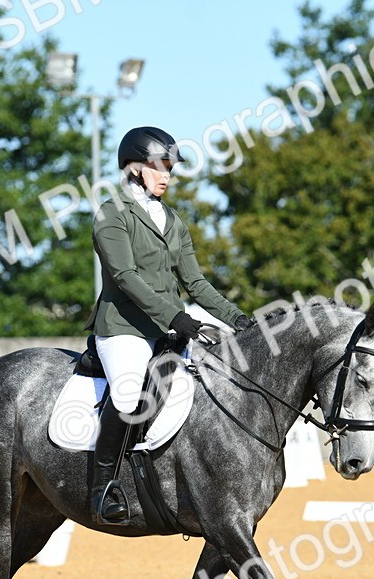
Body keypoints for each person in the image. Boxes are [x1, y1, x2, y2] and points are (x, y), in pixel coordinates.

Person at [84, 126, 252, 526]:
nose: (167, 176)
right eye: (159, 167)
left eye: (170, 169)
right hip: (124, 327)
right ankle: (102, 486)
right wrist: (178, 318)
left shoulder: (172, 220)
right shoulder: (112, 214)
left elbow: (196, 283)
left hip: (170, 328)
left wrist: (239, 319)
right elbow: (125, 277)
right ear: (135, 169)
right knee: (128, 397)